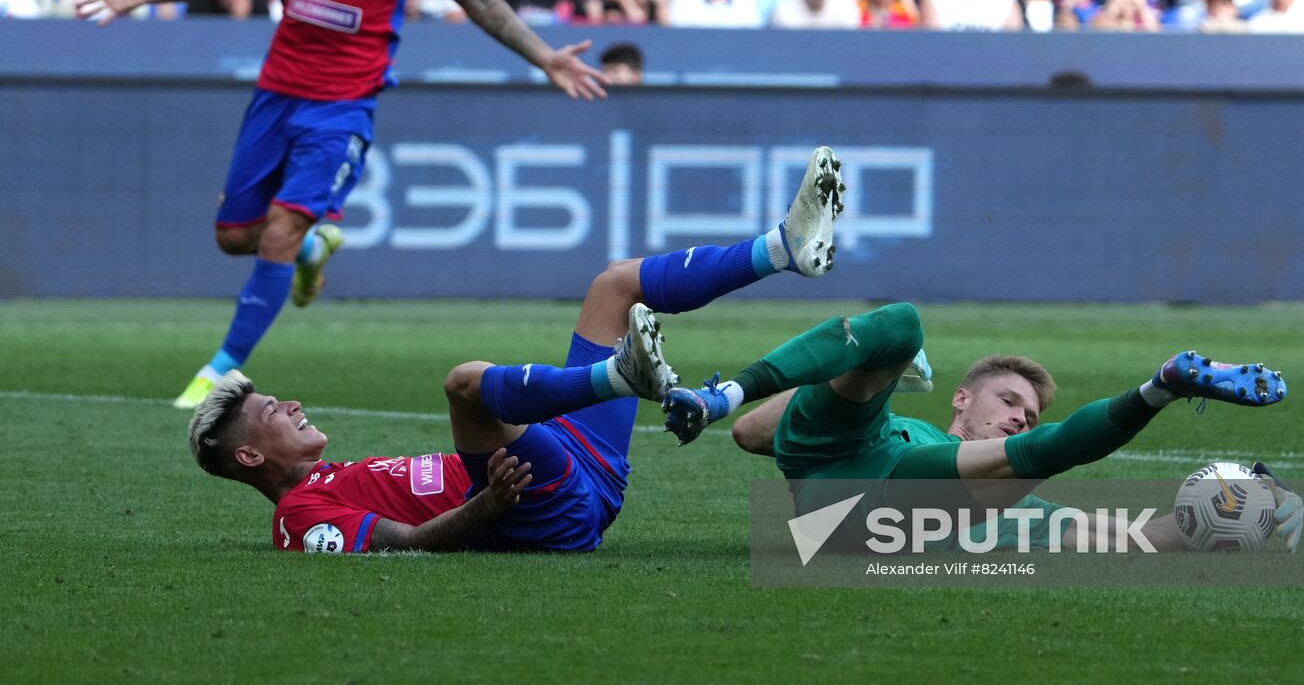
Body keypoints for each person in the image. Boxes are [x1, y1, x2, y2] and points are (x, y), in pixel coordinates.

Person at [79, 0, 608, 410]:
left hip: (344, 106)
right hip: (276, 93)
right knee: (234, 236)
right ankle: (311, 248)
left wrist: (544, 56)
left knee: (276, 232)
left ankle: (219, 369)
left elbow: (478, 0)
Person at [186, 147, 845, 554]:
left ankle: (781, 250)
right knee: (464, 383)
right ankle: (618, 376)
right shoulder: (301, 517)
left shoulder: (326, 481)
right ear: (249, 454)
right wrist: (489, 506)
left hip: (575, 466)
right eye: (273, 410)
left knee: (613, 285)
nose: (292, 402)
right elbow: (409, 544)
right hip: (537, 506)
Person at [660, 305, 1301, 554]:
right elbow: (753, 434)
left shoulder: (1015, 500)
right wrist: (873, 375)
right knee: (902, 325)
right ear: (961, 399)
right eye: (1010, 399)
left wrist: (1241, 504)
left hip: (877, 519)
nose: (1021, 413)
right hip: (844, 467)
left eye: (1029, 411)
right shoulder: (901, 424)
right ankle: (720, 393)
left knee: (1035, 459)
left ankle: (1162, 384)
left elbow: (1142, 538)